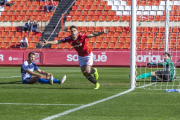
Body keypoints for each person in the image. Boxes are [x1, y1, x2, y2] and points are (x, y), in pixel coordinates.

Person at [39, 25, 110, 89]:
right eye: (72, 31)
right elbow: (58, 41)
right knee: (85, 73)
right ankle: (96, 83)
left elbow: (93, 35)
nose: (73, 32)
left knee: (87, 71)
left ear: (77, 31)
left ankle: (94, 71)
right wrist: (47, 42)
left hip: (88, 54)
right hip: (80, 56)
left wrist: (102, 32)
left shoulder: (81, 36)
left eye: (74, 30)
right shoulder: (69, 38)